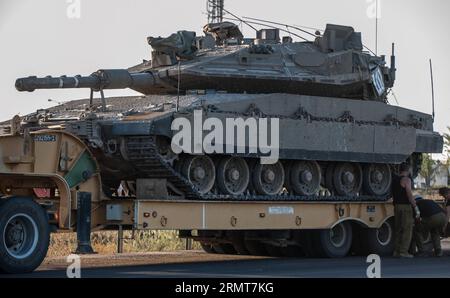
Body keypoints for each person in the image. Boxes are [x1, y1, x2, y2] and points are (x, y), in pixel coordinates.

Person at [392, 163, 420, 258]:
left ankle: (396, 251)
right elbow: (409, 194)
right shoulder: (406, 180)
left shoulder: (394, 180)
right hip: (405, 207)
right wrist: (415, 207)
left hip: (396, 206)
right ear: (408, 170)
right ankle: (403, 252)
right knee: (407, 229)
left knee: (398, 229)